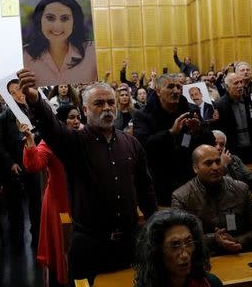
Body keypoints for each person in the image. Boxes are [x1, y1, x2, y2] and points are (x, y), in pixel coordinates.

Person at [18, 68, 157, 283]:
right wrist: (36, 99)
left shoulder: (131, 143)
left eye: (111, 102)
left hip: (130, 243)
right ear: (85, 109)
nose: (107, 108)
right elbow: (51, 128)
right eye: (99, 104)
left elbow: (145, 188)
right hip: (90, 246)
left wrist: (154, 224)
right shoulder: (74, 142)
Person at [22, 104, 81, 285]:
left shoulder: (84, 137)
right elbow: (34, 165)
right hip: (59, 202)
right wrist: (30, 142)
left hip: (81, 200)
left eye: (78, 117)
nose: (76, 121)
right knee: (61, 251)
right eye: (71, 117)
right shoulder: (50, 142)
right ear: (61, 122)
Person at [134, 74, 215, 205]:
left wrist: (198, 131)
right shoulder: (143, 115)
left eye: (178, 87)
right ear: (158, 91)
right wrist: (170, 133)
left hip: (189, 177)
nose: (176, 91)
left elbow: (210, 142)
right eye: (170, 87)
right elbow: (143, 146)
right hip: (159, 180)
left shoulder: (191, 110)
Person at [172, 145, 252, 255]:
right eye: (208, 163)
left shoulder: (241, 188)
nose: (215, 167)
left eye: (218, 161)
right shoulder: (181, 197)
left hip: (242, 252)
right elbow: (181, 239)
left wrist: (237, 240)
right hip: (205, 256)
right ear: (195, 168)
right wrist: (215, 239)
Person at [0, 78, 41, 247]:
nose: (17, 94)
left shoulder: (35, 111)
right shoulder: (4, 116)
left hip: (34, 163)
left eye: (19, 90)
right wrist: (11, 163)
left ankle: (37, 235)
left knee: (36, 203)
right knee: (14, 205)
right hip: (13, 166)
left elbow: (43, 133)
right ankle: (17, 238)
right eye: (12, 92)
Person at [134, 209, 223, 287]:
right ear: (157, 251)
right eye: (175, 245)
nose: (184, 255)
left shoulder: (211, 283)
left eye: (189, 243)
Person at [23, 0, 97, 86]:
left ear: (74, 23)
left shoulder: (92, 51)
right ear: (39, 21)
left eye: (65, 18)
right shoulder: (25, 55)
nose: (57, 26)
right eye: (50, 18)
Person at [215, 72, 252, 163]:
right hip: (233, 151)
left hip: (251, 149)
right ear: (227, 87)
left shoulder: (248, 101)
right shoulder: (220, 106)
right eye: (236, 83)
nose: (240, 85)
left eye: (241, 82)